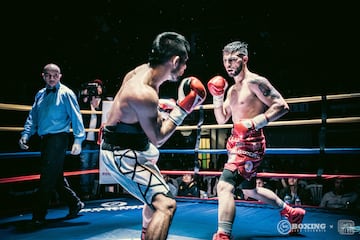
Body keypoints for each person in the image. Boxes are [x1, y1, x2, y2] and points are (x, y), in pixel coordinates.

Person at [98, 32, 206, 240]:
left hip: (133, 147)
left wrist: (162, 106)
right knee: (166, 205)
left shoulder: (141, 72)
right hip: (122, 155)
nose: (185, 69)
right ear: (175, 61)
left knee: (154, 201)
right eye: (184, 63)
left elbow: (139, 112)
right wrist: (183, 109)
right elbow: (158, 137)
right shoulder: (143, 92)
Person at [208, 41, 306, 239]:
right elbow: (221, 119)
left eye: (232, 59)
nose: (228, 64)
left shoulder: (255, 82)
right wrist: (217, 97)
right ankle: (292, 212)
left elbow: (281, 105)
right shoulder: (232, 90)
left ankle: (223, 234)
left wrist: (255, 122)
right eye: (225, 60)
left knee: (224, 186)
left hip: (250, 145)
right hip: (235, 143)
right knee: (250, 190)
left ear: (244, 59)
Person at [18, 63, 86, 228]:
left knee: (47, 178)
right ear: (43, 76)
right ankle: (75, 202)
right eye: (49, 75)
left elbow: (76, 117)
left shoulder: (66, 93)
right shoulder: (40, 94)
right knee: (55, 177)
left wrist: (78, 140)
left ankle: (38, 215)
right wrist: (25, 135)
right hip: (45, 139)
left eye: (55, 75)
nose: (52, 78)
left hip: (59, 139)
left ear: (60, 76)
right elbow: (33, 117)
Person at [78, 79, 104, 200]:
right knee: (84, 164)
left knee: (93, 165)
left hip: (96, 140)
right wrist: (87, 95)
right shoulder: (85, 100)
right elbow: (80, 107)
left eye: (98, 87)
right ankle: (84, 191)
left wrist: (97, 105)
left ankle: (93, 191)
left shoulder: (102, 102)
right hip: (85, 140)